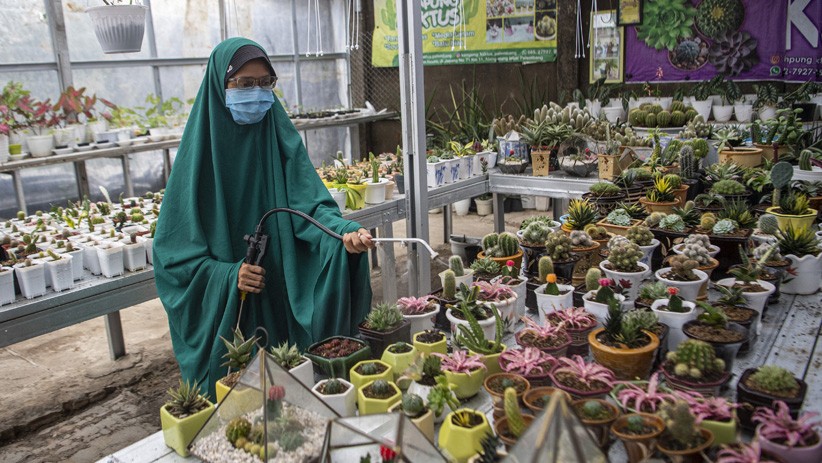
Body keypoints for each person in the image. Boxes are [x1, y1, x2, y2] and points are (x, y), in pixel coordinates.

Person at [153, 38, 374, 397]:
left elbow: (310, 205)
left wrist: (343, 233)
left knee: (291, 388)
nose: (256, 93)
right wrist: (228, 276)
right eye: (244, 83)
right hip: (233, 306)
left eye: (265, 83)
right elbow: (171, 258)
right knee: (237, 402)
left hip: (281, 286)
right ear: (220, 85)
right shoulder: (197, 160)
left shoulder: (278, 135)